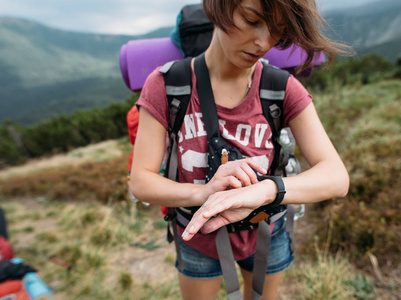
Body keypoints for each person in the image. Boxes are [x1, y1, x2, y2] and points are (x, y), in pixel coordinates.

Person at [130, 0, 351, 299]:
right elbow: (141, 181)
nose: (263, 43)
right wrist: (202, 194)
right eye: (251, 20)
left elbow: (337, 177)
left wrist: (266, 191)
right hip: (198, 237)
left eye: (277, 31)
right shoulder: (169, 85)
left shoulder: (281, 88)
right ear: (219, 7)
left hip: (266, 233)